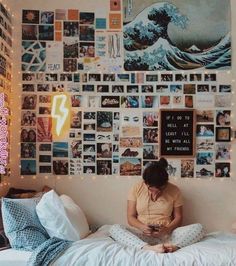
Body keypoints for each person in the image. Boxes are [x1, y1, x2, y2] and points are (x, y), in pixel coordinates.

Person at [109, 158, 204, 253]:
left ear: (165, 183)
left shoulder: (175, 190)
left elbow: (178, 217)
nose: (155, 193)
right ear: (146, 183)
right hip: (142, 235)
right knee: (114, 228)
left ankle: (174, 247)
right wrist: (142, 227)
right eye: (151, 189)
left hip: (167, 235)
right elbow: (130, 217)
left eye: (160, 190)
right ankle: (147, 248)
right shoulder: (136, 188)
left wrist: (167, 229)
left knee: (199, 228)